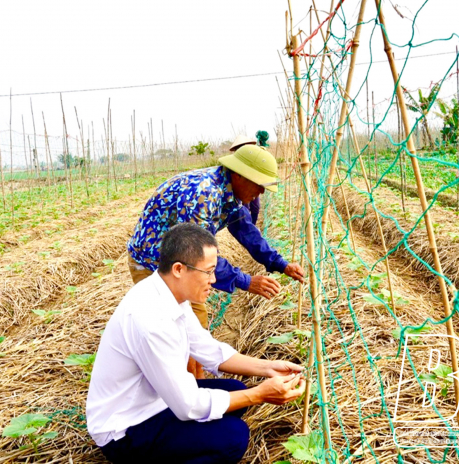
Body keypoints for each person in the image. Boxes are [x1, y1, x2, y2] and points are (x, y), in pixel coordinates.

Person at [86, 223, 306, 463]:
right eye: (209, 271)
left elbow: (209, 350)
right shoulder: (151, 320)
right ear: (179, 269)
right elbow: (187, 406)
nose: (214, 279)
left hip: (154, 400)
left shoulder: (169, 294)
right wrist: (261, 394)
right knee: (233, 437)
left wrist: (267, 368)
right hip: (126, 429)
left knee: (236, 393)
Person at [127, 143, 305, 330]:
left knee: (195, 330)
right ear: (239, 175)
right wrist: (246, 281)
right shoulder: (202, 194)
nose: (261, 192)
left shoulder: (231, 193)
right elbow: (197, 254)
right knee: (167, 331)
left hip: (182, 264)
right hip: (153, 264)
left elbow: (246, 231)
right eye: (259, 184)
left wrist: (281, 264)